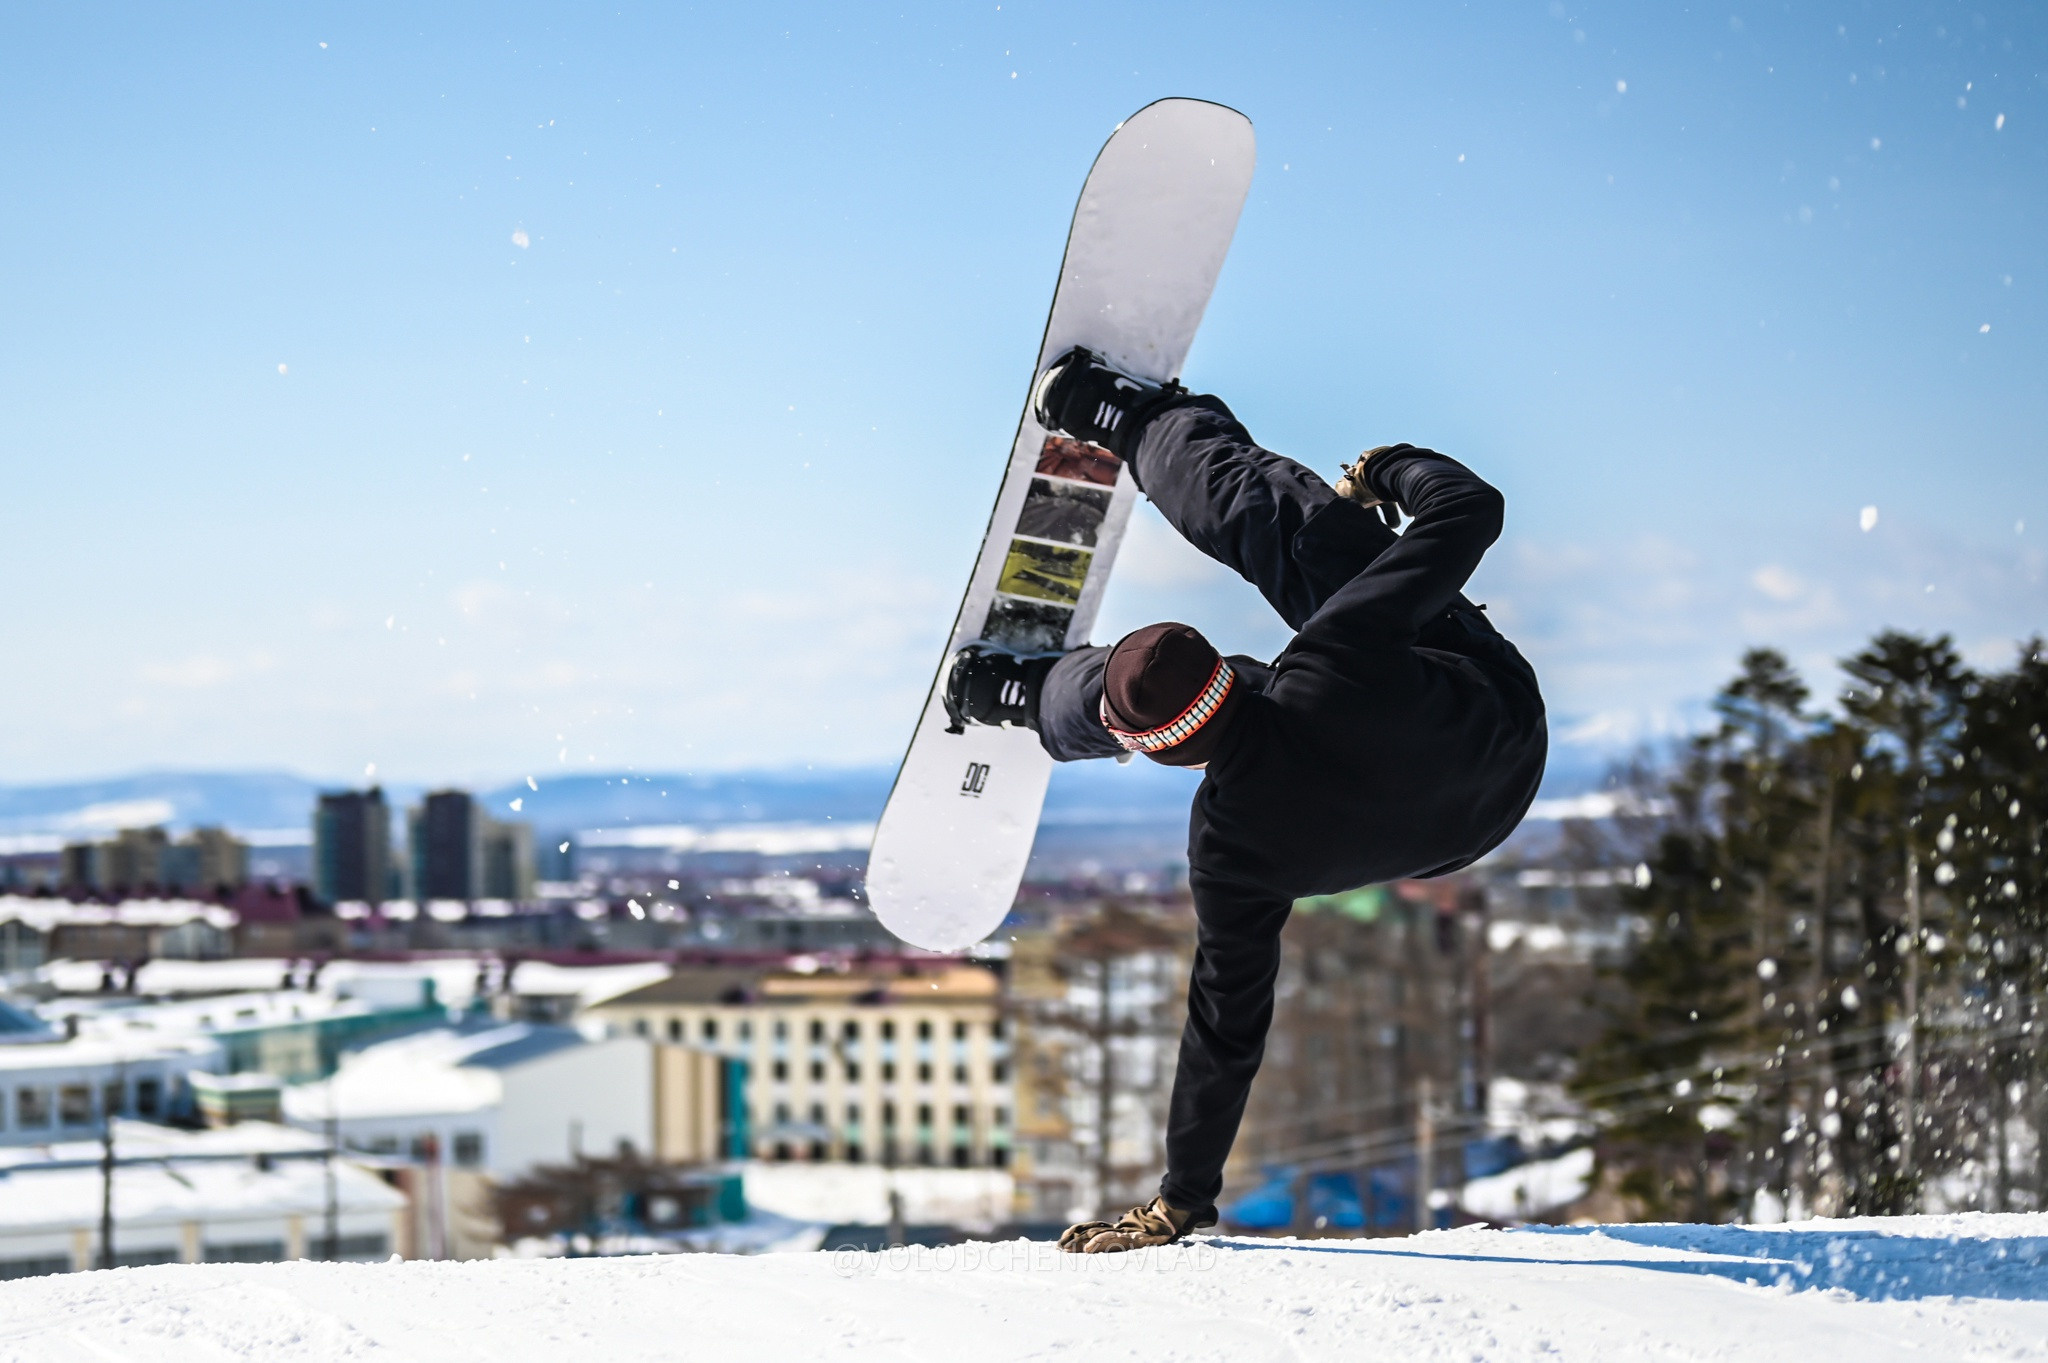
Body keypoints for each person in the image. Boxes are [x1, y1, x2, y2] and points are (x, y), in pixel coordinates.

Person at [945, 347, 1548, 1253]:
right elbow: (1472, 508)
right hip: (1500, 740)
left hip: (1461, 819)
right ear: (1223, 665)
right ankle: (1139, 423)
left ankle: (1026, 698)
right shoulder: (1335, 656)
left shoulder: (1230, 847)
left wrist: (1179, 1201)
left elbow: (1226, 1028)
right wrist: (1386, 471)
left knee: (1212, 609)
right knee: (1297, 534)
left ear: (1152, 755)